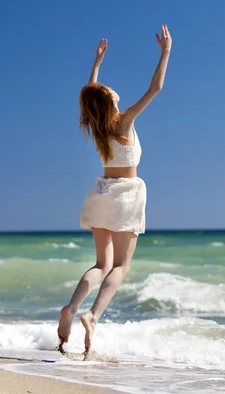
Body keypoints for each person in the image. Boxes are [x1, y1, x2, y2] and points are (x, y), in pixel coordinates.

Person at [57, 24, 172, 356]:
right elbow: (156, 88)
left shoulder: (96, 127)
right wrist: (165, 52)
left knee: (99, 263)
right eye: (107, 89)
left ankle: (71, 307)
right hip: (126, 194)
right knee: (121, 265)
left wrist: (96, 65)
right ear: (109, 100)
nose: (109, 88)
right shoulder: (123, 122)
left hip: (101, 193)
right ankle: (92, 316)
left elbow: (90, 91)